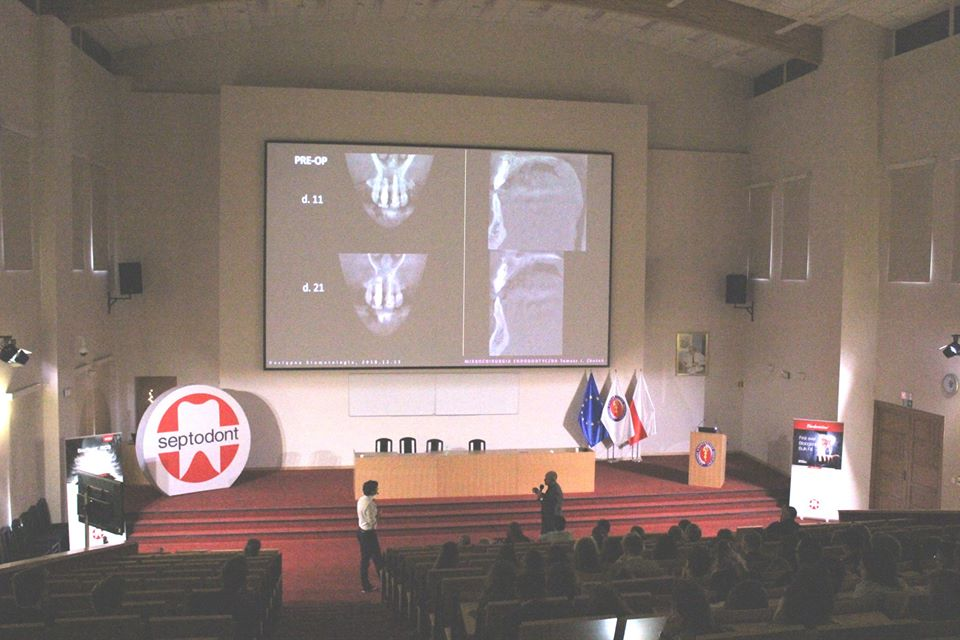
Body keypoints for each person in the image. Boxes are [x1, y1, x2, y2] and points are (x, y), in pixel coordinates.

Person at [357, 479, 384, 593]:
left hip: (361, 532)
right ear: (373, 490)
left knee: (366, 560)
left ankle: (366, 585)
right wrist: (378, 515)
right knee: (376, 559)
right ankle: (383, 583)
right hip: (369, 534)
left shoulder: (361, 499)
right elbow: (372, 522)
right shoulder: (370, 504)